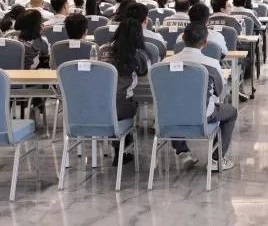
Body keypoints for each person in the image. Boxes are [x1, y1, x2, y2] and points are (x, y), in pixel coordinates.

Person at [161, 23, 237, 172]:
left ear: (183, 38)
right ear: (205, 42)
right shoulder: (212, 64)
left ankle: (183, 152)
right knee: (232, 112)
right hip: (202, 116)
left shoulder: (164, 63)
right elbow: (219, 91)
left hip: (169, 118)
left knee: (176, 106)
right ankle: (216, 159)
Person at [97, 12, 151, 165]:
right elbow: (144, 72)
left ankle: (120, 147)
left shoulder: (102, 50)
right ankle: (122, 148)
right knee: (130, 103)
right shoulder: (137, 55)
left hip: (98, 106)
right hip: (121, 107)